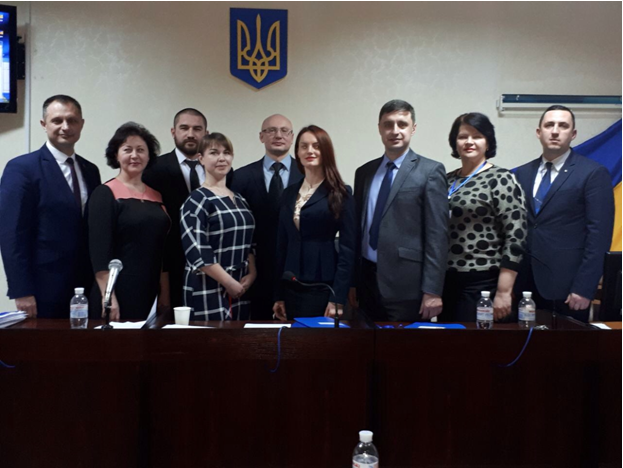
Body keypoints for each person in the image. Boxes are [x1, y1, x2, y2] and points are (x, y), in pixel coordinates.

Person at [0, 95, 101, 318]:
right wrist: (21, 290)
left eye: (72, 120)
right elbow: (11, 234)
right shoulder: (22, 168)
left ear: (82, 124)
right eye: (57, 120)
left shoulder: (90, 170)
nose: (65, 127)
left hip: (85, 287)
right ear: (43, 124)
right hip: (42, 290)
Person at [350, 99, 448, 322]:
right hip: (366, 282)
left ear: (413, 128)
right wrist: (352, 282)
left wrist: (433, 290)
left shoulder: (430, 171)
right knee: (365, 342)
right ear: (379, 129)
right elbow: (358, 230)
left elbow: (438, 236)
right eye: (388, 124)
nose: (395, 131)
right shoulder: (364, 173)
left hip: (407, 286)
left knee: (404, 344)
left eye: (402, 124)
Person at [514, 105, 614, 323]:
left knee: (566, 344)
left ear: (573, 134)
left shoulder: (592, 173)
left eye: (563, 126)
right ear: (539, 132)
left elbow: (599, 236)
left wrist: (585, 287)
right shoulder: (521, 173)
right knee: (519, 342)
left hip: (567, 288)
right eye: (549, 125)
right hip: (523, 284)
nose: (555, 131)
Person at [441, 113, 527, 322]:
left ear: (488, 142)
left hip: (483, 282)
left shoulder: (501, 179)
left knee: (474, 341)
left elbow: (516, 236)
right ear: (454, 142)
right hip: (446, 280)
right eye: (463, 136)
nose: (469, 142)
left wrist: (504, 292)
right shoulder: (446, 179)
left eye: (477, 136)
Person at [88, 123, 170, 321]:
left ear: (149, 156)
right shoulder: (104, 193)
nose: (135, 155)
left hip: (150, 290)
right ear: (116, 155)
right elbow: (99, 252)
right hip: (116, 291)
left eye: (141, 150)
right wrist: (109, 297)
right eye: (127, 150)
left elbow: (163, 251)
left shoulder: (157, 196)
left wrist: (165, 294)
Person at [272, 125, 356, 320]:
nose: (310, 151)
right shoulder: (289, 193)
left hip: (323, 285)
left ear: (326, 151)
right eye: (304, 146)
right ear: (297, 153)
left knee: (318, 338)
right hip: (291, 283)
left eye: (316, 146)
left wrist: (338, 297)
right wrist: (278, 295)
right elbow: (281, 245)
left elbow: (349, 250)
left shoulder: (340, 193)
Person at [230, 114, 304, 319]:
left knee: (298, 330)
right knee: (256, 328)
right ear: (261, 136)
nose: (278, 135)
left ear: (292, 137)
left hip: (297, 268)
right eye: (271, 130)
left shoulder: (308, 174)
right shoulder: (241, 177)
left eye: (284, 131)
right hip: (254, 268)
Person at [180, 133, 256, 321]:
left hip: (240, 286)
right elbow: (197, 251)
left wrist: (252, 273)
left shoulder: (240, 199)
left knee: (241, 338)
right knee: (211, 338)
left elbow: (250, 243)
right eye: (214, 153)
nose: (222, 158)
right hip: (207, 287)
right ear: (201, 159)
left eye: (226, 153)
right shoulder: (196, 200)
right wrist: (228, 282)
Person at [142, 108, 209, 311]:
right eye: (184, 128)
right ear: (173, 132)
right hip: (169, 263)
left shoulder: (220, 168)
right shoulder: (153, 169)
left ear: (206, 133)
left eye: (197, 129)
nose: (190, 134)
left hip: (212, 263)